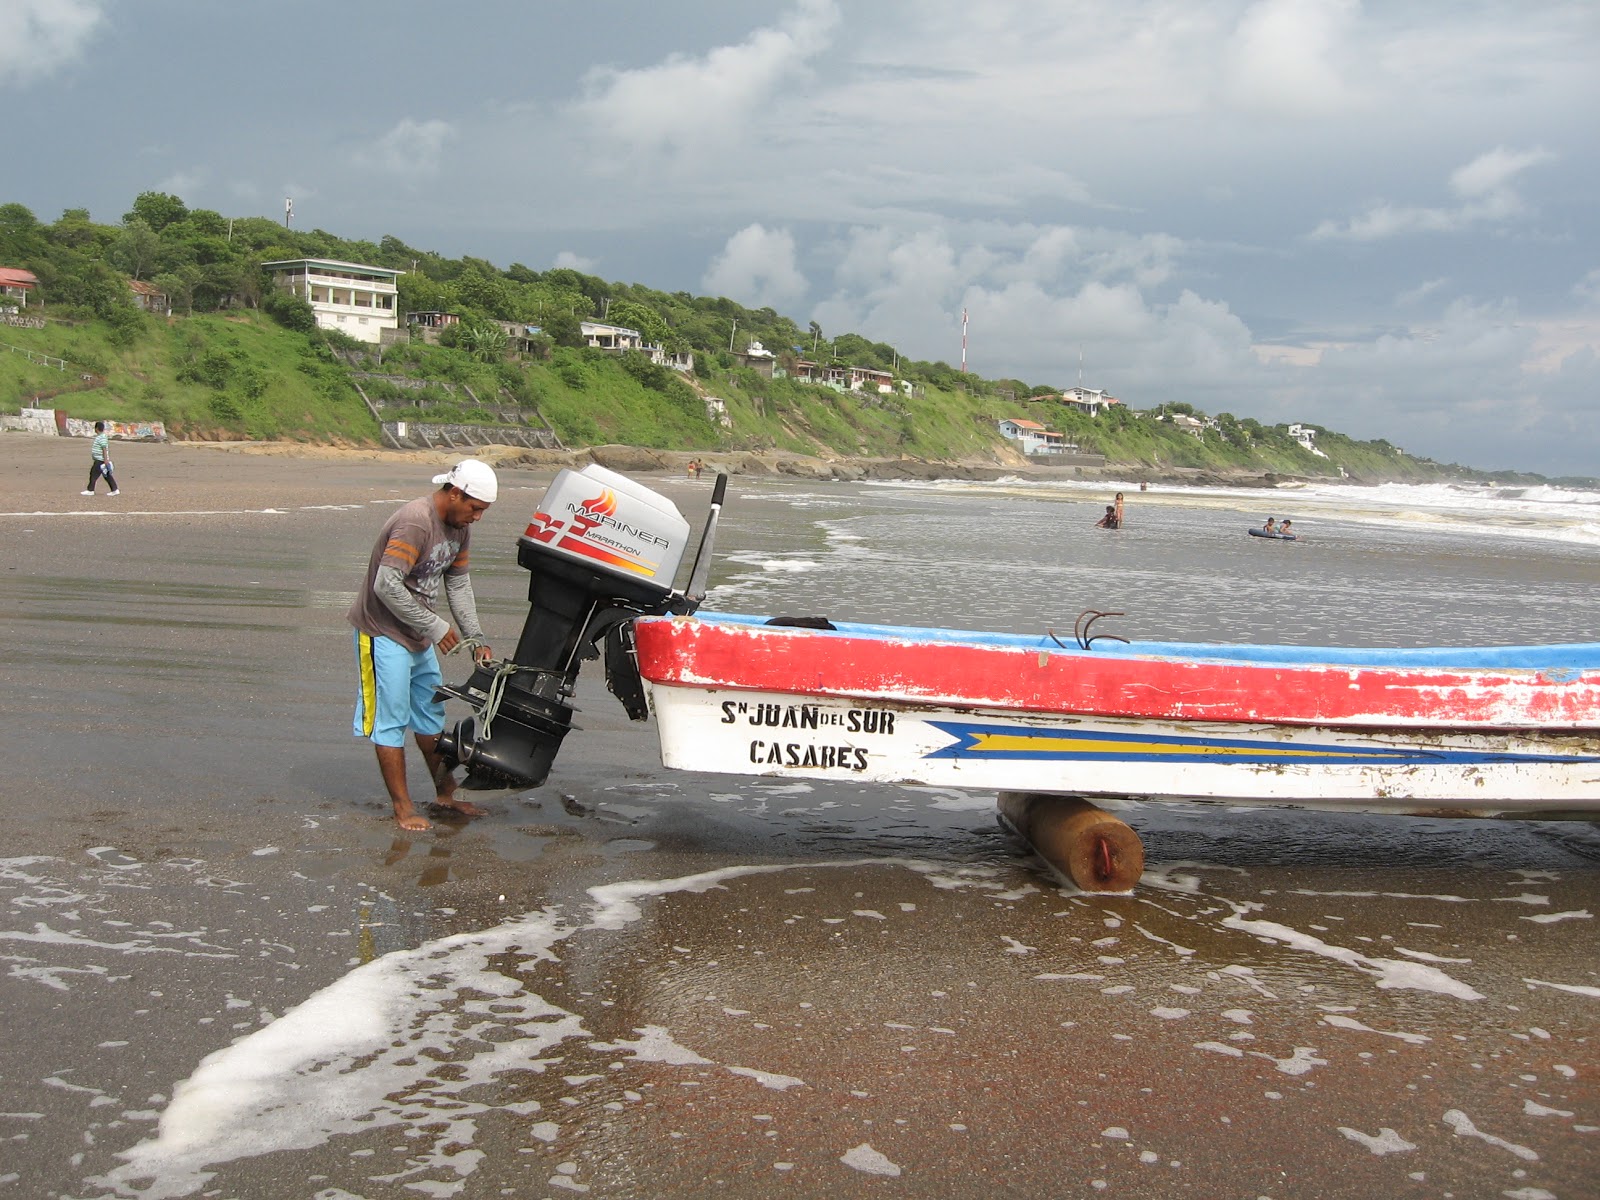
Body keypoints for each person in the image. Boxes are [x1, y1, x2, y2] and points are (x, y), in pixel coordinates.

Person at [348, 459, 498, 832]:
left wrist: (475, 637)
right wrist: (433, 624)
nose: (476, 518)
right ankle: (402, 808)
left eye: (482, 512)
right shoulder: (415, 521)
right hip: (382, 633)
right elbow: (386, 585)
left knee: (430, 718)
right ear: (455, 493)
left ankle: (447, 794)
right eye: (474, 508)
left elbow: (458, 584)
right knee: (391, 721)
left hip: (417, 638)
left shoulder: (459, 528)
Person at [82, 421, 119, 496]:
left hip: (100, 460)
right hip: (100, 459)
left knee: (93, 474)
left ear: (96, 429)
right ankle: (114, 489)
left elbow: (104, 448)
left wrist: (105, 460)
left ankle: (90, 490)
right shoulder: (101, 436)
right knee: (107, 475)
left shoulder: (101, 437)